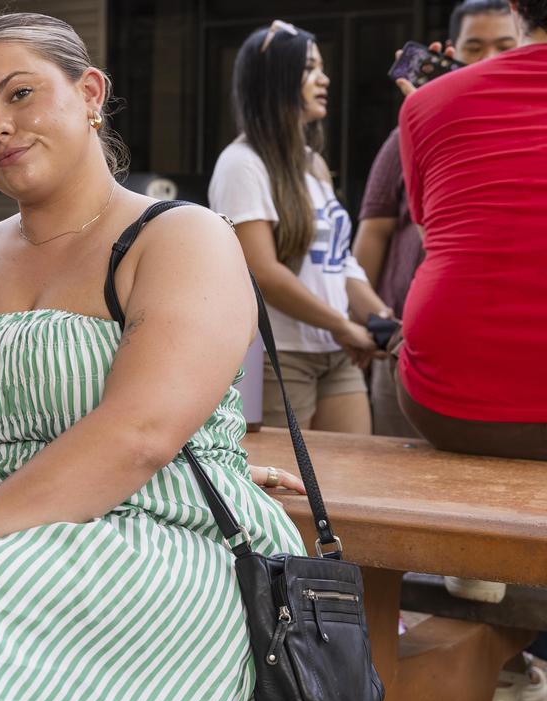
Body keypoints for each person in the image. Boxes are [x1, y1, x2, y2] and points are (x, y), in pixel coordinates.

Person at [0, 13, 305, 701]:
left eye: (21, 95)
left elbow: (140, 434)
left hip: (156, 549)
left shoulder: (180, 237)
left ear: (90, 92)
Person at [209, 20, 389, 434]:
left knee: (354, 477)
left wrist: (378, 317)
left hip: (335, 350)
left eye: (321, 68)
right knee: (285, 490)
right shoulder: (242, 164)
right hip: (280, 355)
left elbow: (338, 264)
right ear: (275, 80)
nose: (324, 79)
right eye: (309, 69)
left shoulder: (314, 163)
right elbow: (264, 273)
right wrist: (343, 325)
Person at [354, 0, 521, 437]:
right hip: (413, 341)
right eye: (474, 48)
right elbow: (373, 232)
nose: (489, 61)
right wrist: (369, 321)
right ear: (450, 51)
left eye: (505, 46)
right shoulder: (409, 130)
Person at [395, 0, 547, 460]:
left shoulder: (426, 101)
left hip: (456, 410)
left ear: (517, 7)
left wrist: (427, 107)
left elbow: (434, 239)